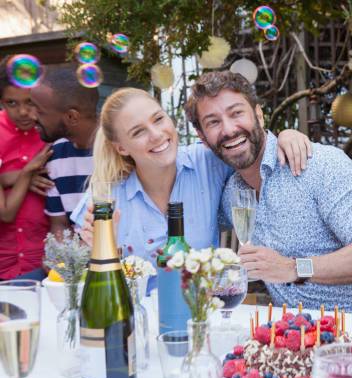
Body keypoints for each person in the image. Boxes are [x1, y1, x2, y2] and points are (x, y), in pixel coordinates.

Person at [185, 71, 352, 311]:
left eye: (237, 113)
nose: (229, 129)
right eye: (213, 122)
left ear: (259, 115)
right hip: (287, 335)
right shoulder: (232, 193)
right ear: (203, 138)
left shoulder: (320, 166)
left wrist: (293, 268)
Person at [71, 87, 310, 261]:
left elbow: (253, 148)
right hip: (137, 321)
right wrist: (99, 246)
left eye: (158, 119)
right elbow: (80, 278)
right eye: (138, 132)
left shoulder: (208, 162)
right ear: (121, 147)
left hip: (204, 316)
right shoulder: (105, 194)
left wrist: (285, 135)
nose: (156, 135)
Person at [29, 66, 99, 238]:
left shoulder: (121, 150)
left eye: (39, 110)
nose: (31, 116)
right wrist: (60, 261)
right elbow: (59, 225)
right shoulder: (55, 155)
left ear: (71, 117)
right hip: (79, 259)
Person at [0, 56, 53, 280]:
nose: (22, 112)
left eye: (29, 102)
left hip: (45, 263)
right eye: (12, 103)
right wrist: (26, 174)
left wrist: (8, 179)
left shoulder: (51, 131)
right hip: (3, 263)